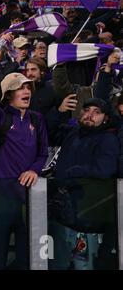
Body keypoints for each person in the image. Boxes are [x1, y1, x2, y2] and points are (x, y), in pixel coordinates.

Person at [0, 32, 48, 269]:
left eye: (29, 86)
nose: (26, 90)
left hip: (29, 197)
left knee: (26, 255)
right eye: (20, 87)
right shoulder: (0, 117)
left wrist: (34, 169)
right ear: (9, 94)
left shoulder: (37, 119)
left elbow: (42, 153)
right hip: (1, 195)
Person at [47, 96, 119, 270]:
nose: (89, 115)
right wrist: (59, 112)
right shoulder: (73, 133)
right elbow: (49, 131)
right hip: (63, 213)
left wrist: (73, 172)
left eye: (96, 112)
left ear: (105, 118)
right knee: (56, 262)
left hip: (88, 217)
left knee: (83, 264)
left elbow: (104, 169)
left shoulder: (107, 140)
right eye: (86, 110)